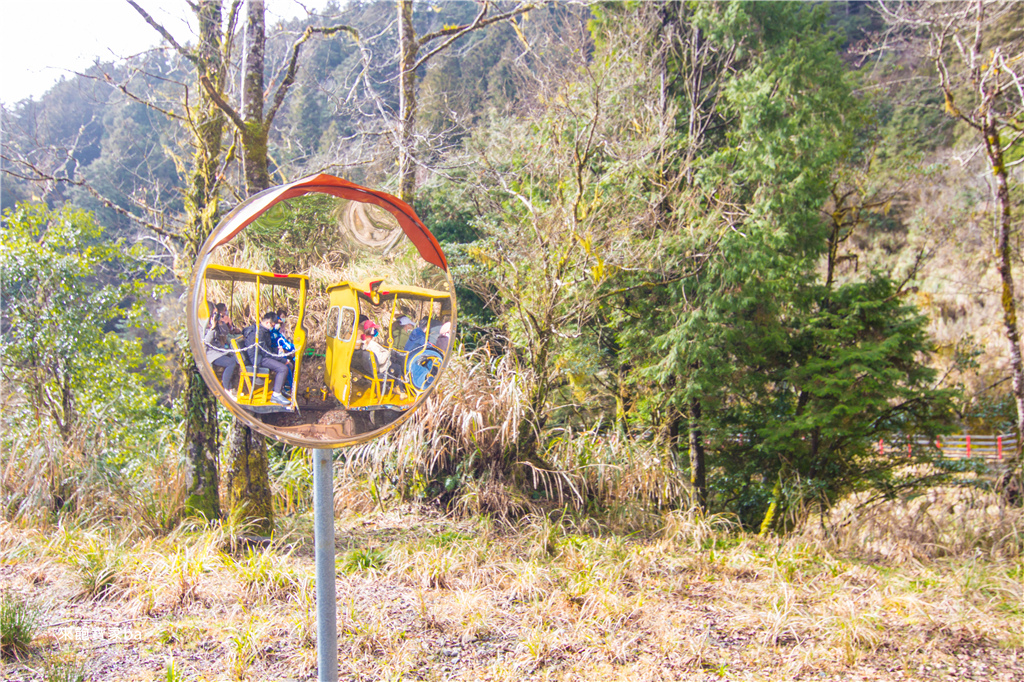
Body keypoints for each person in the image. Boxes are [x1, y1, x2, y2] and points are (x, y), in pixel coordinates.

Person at [255, 311, 290, 405]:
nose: (273, 327)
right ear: (268, 323)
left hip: (265, 355)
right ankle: (276, 395)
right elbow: (265, 352)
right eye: (273, 325)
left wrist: (278, 350)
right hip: (259, 359)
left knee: (289, 364)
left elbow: (268, 348)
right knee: (283, 368)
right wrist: (282, 360)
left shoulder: (265, 331)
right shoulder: (259, 333)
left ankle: (279, 388)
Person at [204, 303, 238, 391]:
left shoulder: (215, 322)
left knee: (237, 357)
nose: (216, 315)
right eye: (214, 313)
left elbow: (225, 333)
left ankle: (233, 384)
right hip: (211, 354)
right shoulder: (203, 327)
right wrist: (212, 328)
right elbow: (205, 343)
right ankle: (227, 388)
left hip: (219, 350)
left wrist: (220, 322)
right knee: (231, 363)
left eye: (217, 313)